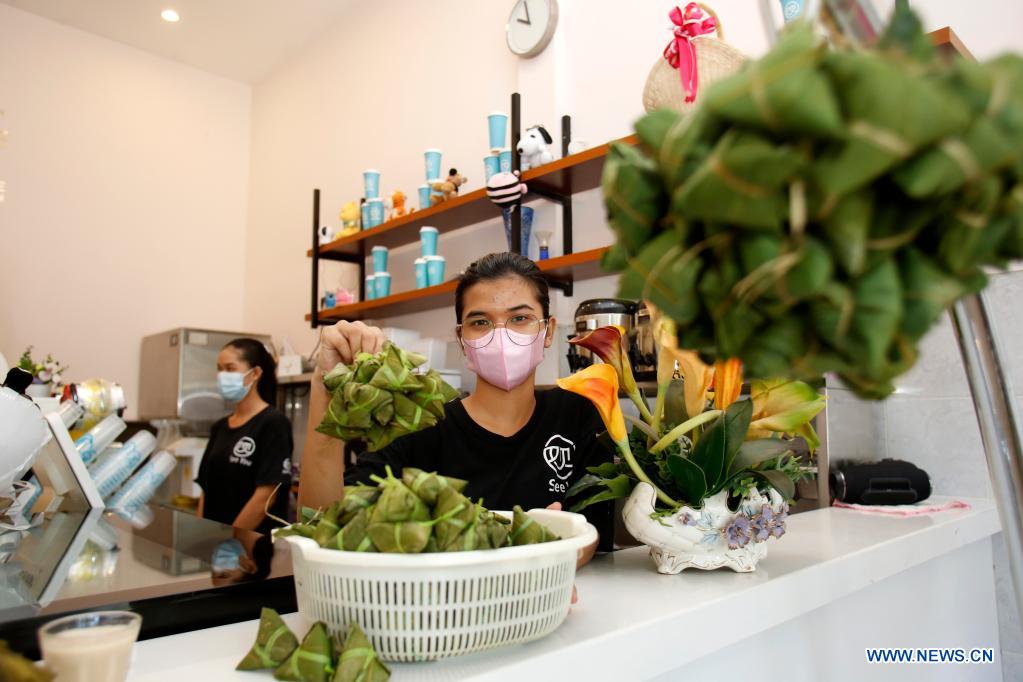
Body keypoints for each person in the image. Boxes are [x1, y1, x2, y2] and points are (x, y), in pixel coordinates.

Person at [299, 252, 608, 561]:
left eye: (519, 318)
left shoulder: (576, 413)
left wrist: (560, 550)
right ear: (462, 338)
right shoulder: (419, 425)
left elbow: (594, 531)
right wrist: (324, 388)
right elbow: (321, 526)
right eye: (480, 322)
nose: (500, 334)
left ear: (548, 331)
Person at [196, 338, 292, 534]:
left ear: (255, 373)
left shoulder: (273, 422)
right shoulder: (220, 427)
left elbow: (266, 496)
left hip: (251, 548)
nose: (223, 375)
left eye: (230, 368)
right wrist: (202, 530)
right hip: (215, 544)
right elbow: (206, 490)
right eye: (220, 369)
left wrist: (234, 538)